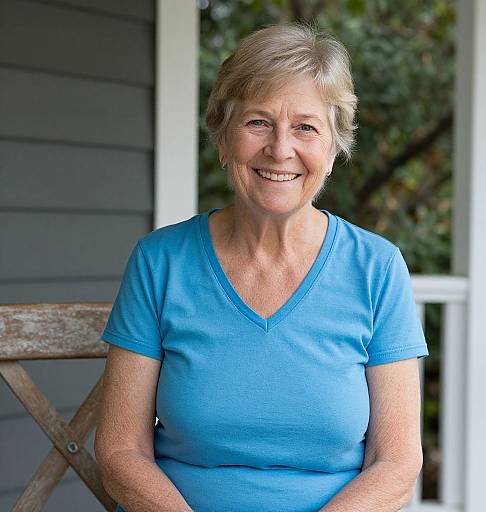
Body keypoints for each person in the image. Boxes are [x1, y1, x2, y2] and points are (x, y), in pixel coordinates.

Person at [94, 22, 429, 512]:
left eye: (307, 128)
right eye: (257, 122)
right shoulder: (160, 261)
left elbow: (397, 463)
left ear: (333, 149)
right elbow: (122, 452)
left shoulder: (377, 269)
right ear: (223, 137)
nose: (280, 148)